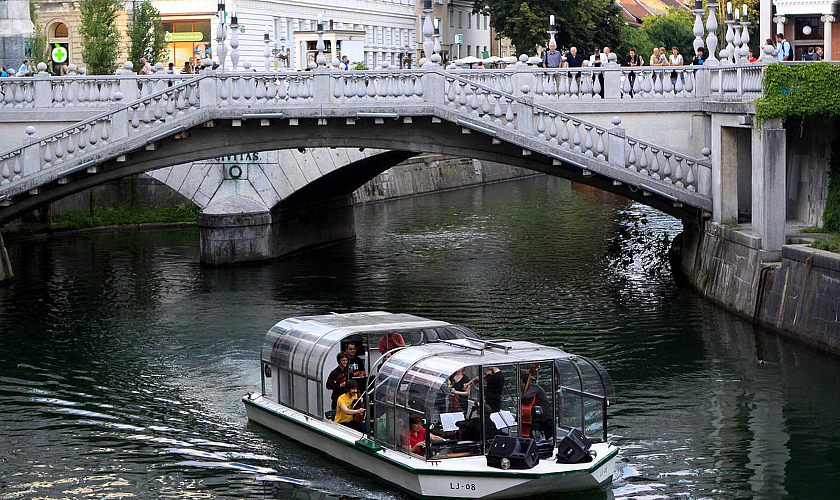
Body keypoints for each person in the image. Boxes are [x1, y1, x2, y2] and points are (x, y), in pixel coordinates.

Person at [519, 369, 554, 440]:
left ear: (522, 381)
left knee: (550, 437)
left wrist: (519, 401)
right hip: (539, 416)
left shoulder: (534, 388)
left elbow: (526, 396)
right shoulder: (531, 388)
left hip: (546, 416)